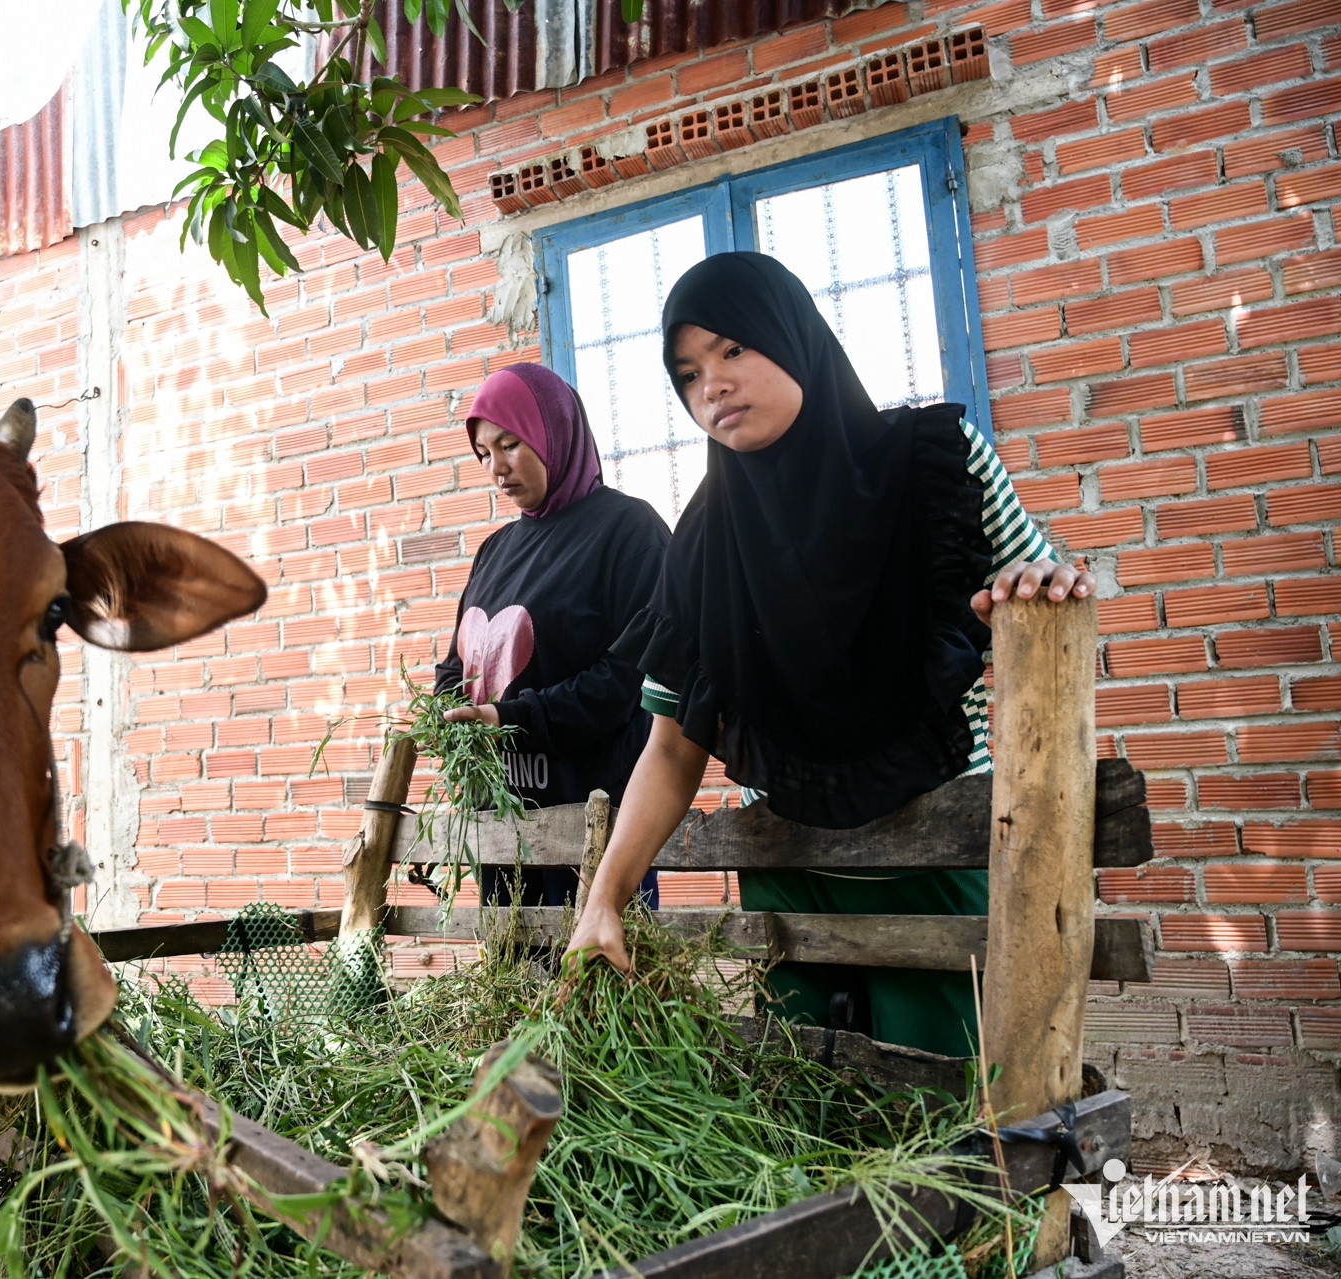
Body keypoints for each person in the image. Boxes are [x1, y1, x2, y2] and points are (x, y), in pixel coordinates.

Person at [561, 253, 1095, 1057]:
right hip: (791, 877)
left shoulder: (936, 464)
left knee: (950, 1101)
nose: (713, 385)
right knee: (804, 1104)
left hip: (938, 854)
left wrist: (1041, 585)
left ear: (794, 337)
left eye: (733, 348)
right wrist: (604, 899)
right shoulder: (701, 545)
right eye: (689, 373)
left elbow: (1041, 589)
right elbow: (670, 747)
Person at [431, 362, 671, 908]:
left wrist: (512, 720)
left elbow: (630, 678)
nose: (497, 468)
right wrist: (445, 712)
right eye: (483, 453)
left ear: (553, 432)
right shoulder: (495, 550)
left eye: (510, 444)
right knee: (508, 960)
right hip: (501, 826)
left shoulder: (629, 532)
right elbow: (457, 664)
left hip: (593, 824)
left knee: (594, 961)